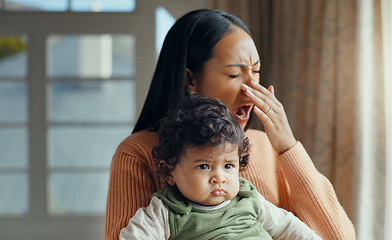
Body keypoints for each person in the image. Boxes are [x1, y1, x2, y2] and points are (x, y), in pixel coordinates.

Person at [105, 9, 356, 240]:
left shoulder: (267, 146)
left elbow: (339, 237)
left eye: (256, 71)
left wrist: (288, 147)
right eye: (235, 74)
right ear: (189, 78)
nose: (252, 89)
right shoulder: (137, 152)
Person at [118, 95, 322, 239]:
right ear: (168, 171)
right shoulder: (166, 211)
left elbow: (288, 227)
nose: (219, 177)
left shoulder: (248, 198)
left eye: (228, 166)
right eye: (204, 166)